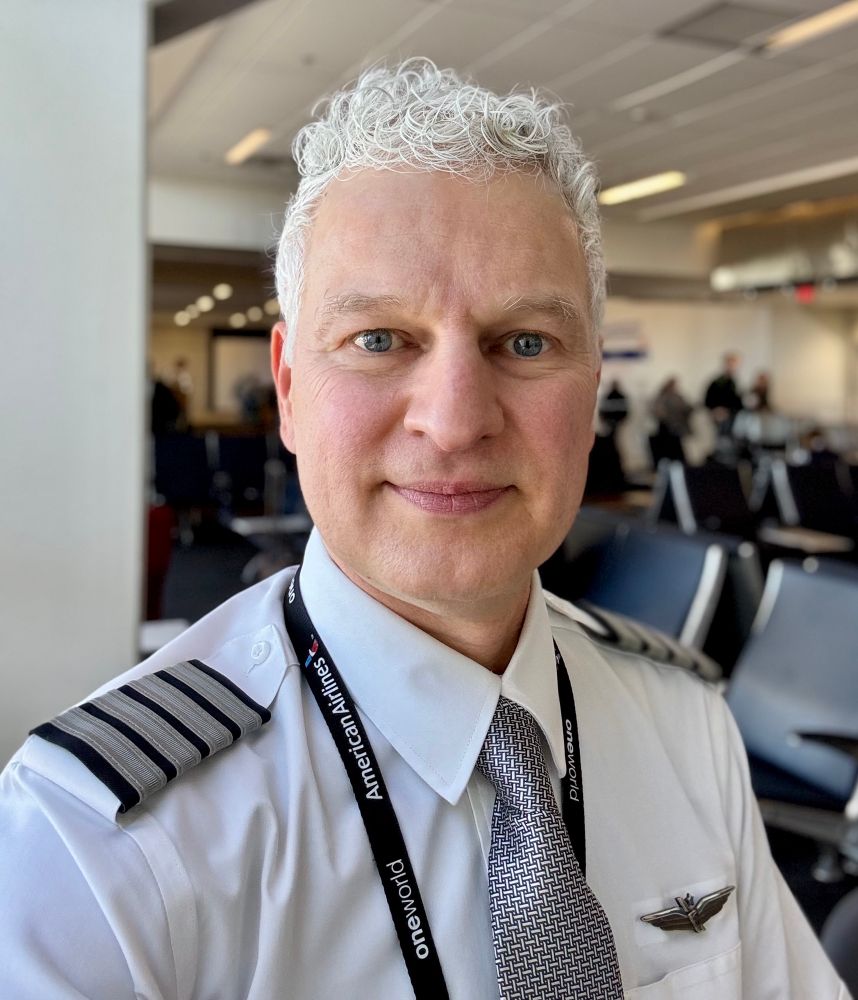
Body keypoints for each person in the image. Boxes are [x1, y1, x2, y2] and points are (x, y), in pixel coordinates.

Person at [0, 61, 848, 1000]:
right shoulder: (98, 841)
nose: (454, 421)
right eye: (379, 340)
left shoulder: (686, 724)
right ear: (288, 386)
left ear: (593, 381)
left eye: (526, 342)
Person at [650, 376, 693, 463]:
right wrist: (665, 416)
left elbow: (686, 407)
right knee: (667, 450)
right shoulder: (662, 396)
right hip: (666, 427)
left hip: (677, 427)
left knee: (677, 450)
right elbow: (657, 410)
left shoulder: (677, 396)